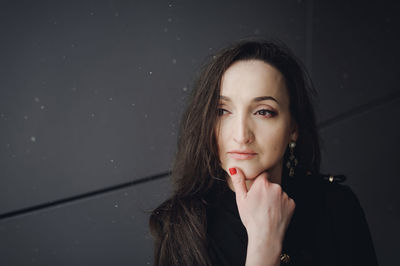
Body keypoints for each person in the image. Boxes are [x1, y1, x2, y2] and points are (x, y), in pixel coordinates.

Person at [149, 39, 379, 265]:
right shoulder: (180, 227)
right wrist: (264, 244)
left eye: (263, 112)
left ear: (293, 128)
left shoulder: (337, 206)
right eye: (222, 110)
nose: (241, 135)